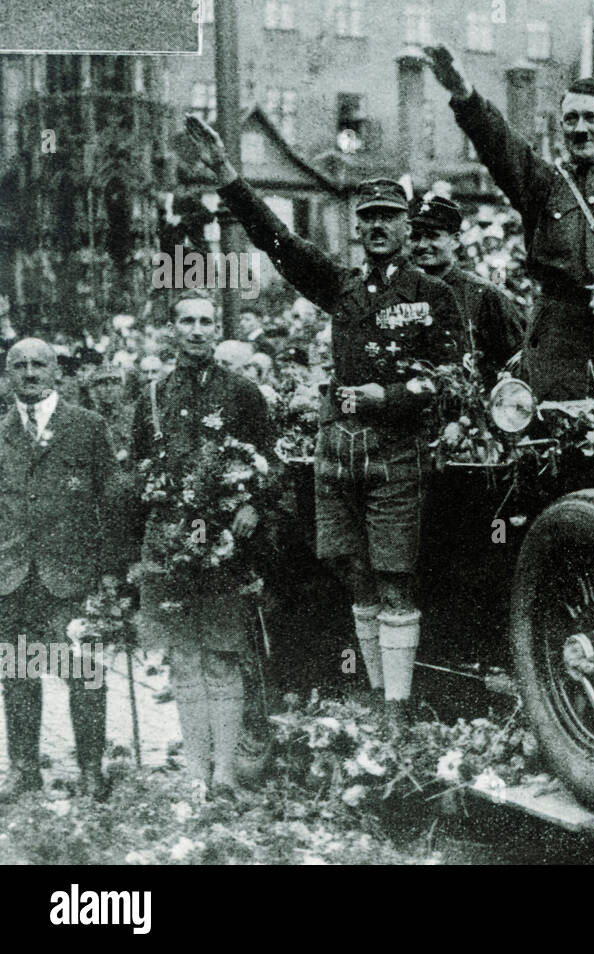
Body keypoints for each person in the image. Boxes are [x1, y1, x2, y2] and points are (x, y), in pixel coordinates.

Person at [183, 115, 467, 732]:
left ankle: (396, 708)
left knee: (394, 579)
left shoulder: (434, 294)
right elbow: (277, 241)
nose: (376, 226)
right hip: (339, 455)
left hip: (398, 455)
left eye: (388, 216)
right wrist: (231, 181)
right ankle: (374, 689)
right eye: (366, 217)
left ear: (406, 222)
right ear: (357, 226)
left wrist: (386, 394)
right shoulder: (342, 287)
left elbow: (455, 379)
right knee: (352, 570)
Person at [421, 43, 594, 400]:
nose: (580, 129)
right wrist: (463, 94)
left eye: (592, 118)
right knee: (554, 448)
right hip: (559, 355)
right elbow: (499, 143)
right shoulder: (543, 186)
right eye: (571, 119)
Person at [129, 297, 277, 802]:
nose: (196, 331)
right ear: (172, 330)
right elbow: (142, 471)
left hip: (225, 545)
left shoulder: (243, 392)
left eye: (205, 322)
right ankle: (196, 772)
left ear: (217, 329)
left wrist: (254, 504)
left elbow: (271, 462)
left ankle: (226, 776)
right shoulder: (152, 396)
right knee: (185, 660)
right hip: (172, 543)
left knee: (223, 657)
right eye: (186, 321)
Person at [0, 338, 121, 801]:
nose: (30, 373)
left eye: (39, 364)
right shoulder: (2, 431)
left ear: (57, 373)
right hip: (12, 576)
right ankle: (24, 768)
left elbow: (110, 505)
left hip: (71, 577)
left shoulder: (88, 427)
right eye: (20, 365)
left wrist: (109, 577)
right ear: (9, 373)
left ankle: (92, 771)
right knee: (17, 673)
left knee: (84, 673)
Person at [408, 193, 523, 381]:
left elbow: (517, 358)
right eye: (415, 236)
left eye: (432, 236)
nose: (422, 245)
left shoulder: (483, 294)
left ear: (455, 240)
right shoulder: (402, 291)